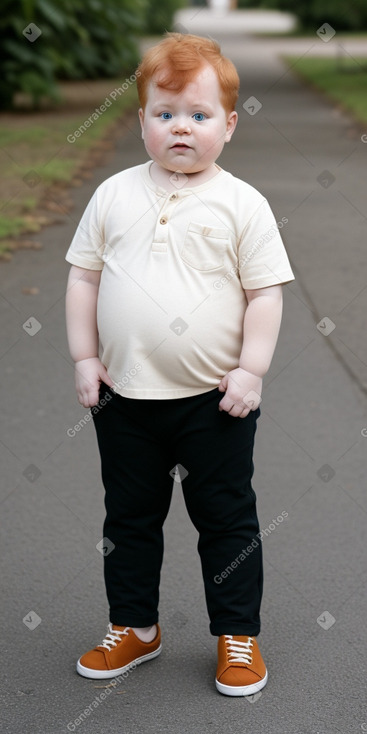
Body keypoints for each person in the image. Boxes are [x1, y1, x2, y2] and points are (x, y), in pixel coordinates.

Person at [65, 32, 295, 697]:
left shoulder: (241, 204)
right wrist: (84, 356)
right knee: (128, 519)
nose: (181, 130)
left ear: (227, 124)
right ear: (141, 122)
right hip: (124, 399)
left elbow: (264, 295)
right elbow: (83, 279)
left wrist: (250, 370)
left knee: (226, 521)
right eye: (164, 115)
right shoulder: (112, 196)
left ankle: (236, 636)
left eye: (197, 116)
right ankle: (134, 627)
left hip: (214, 402)